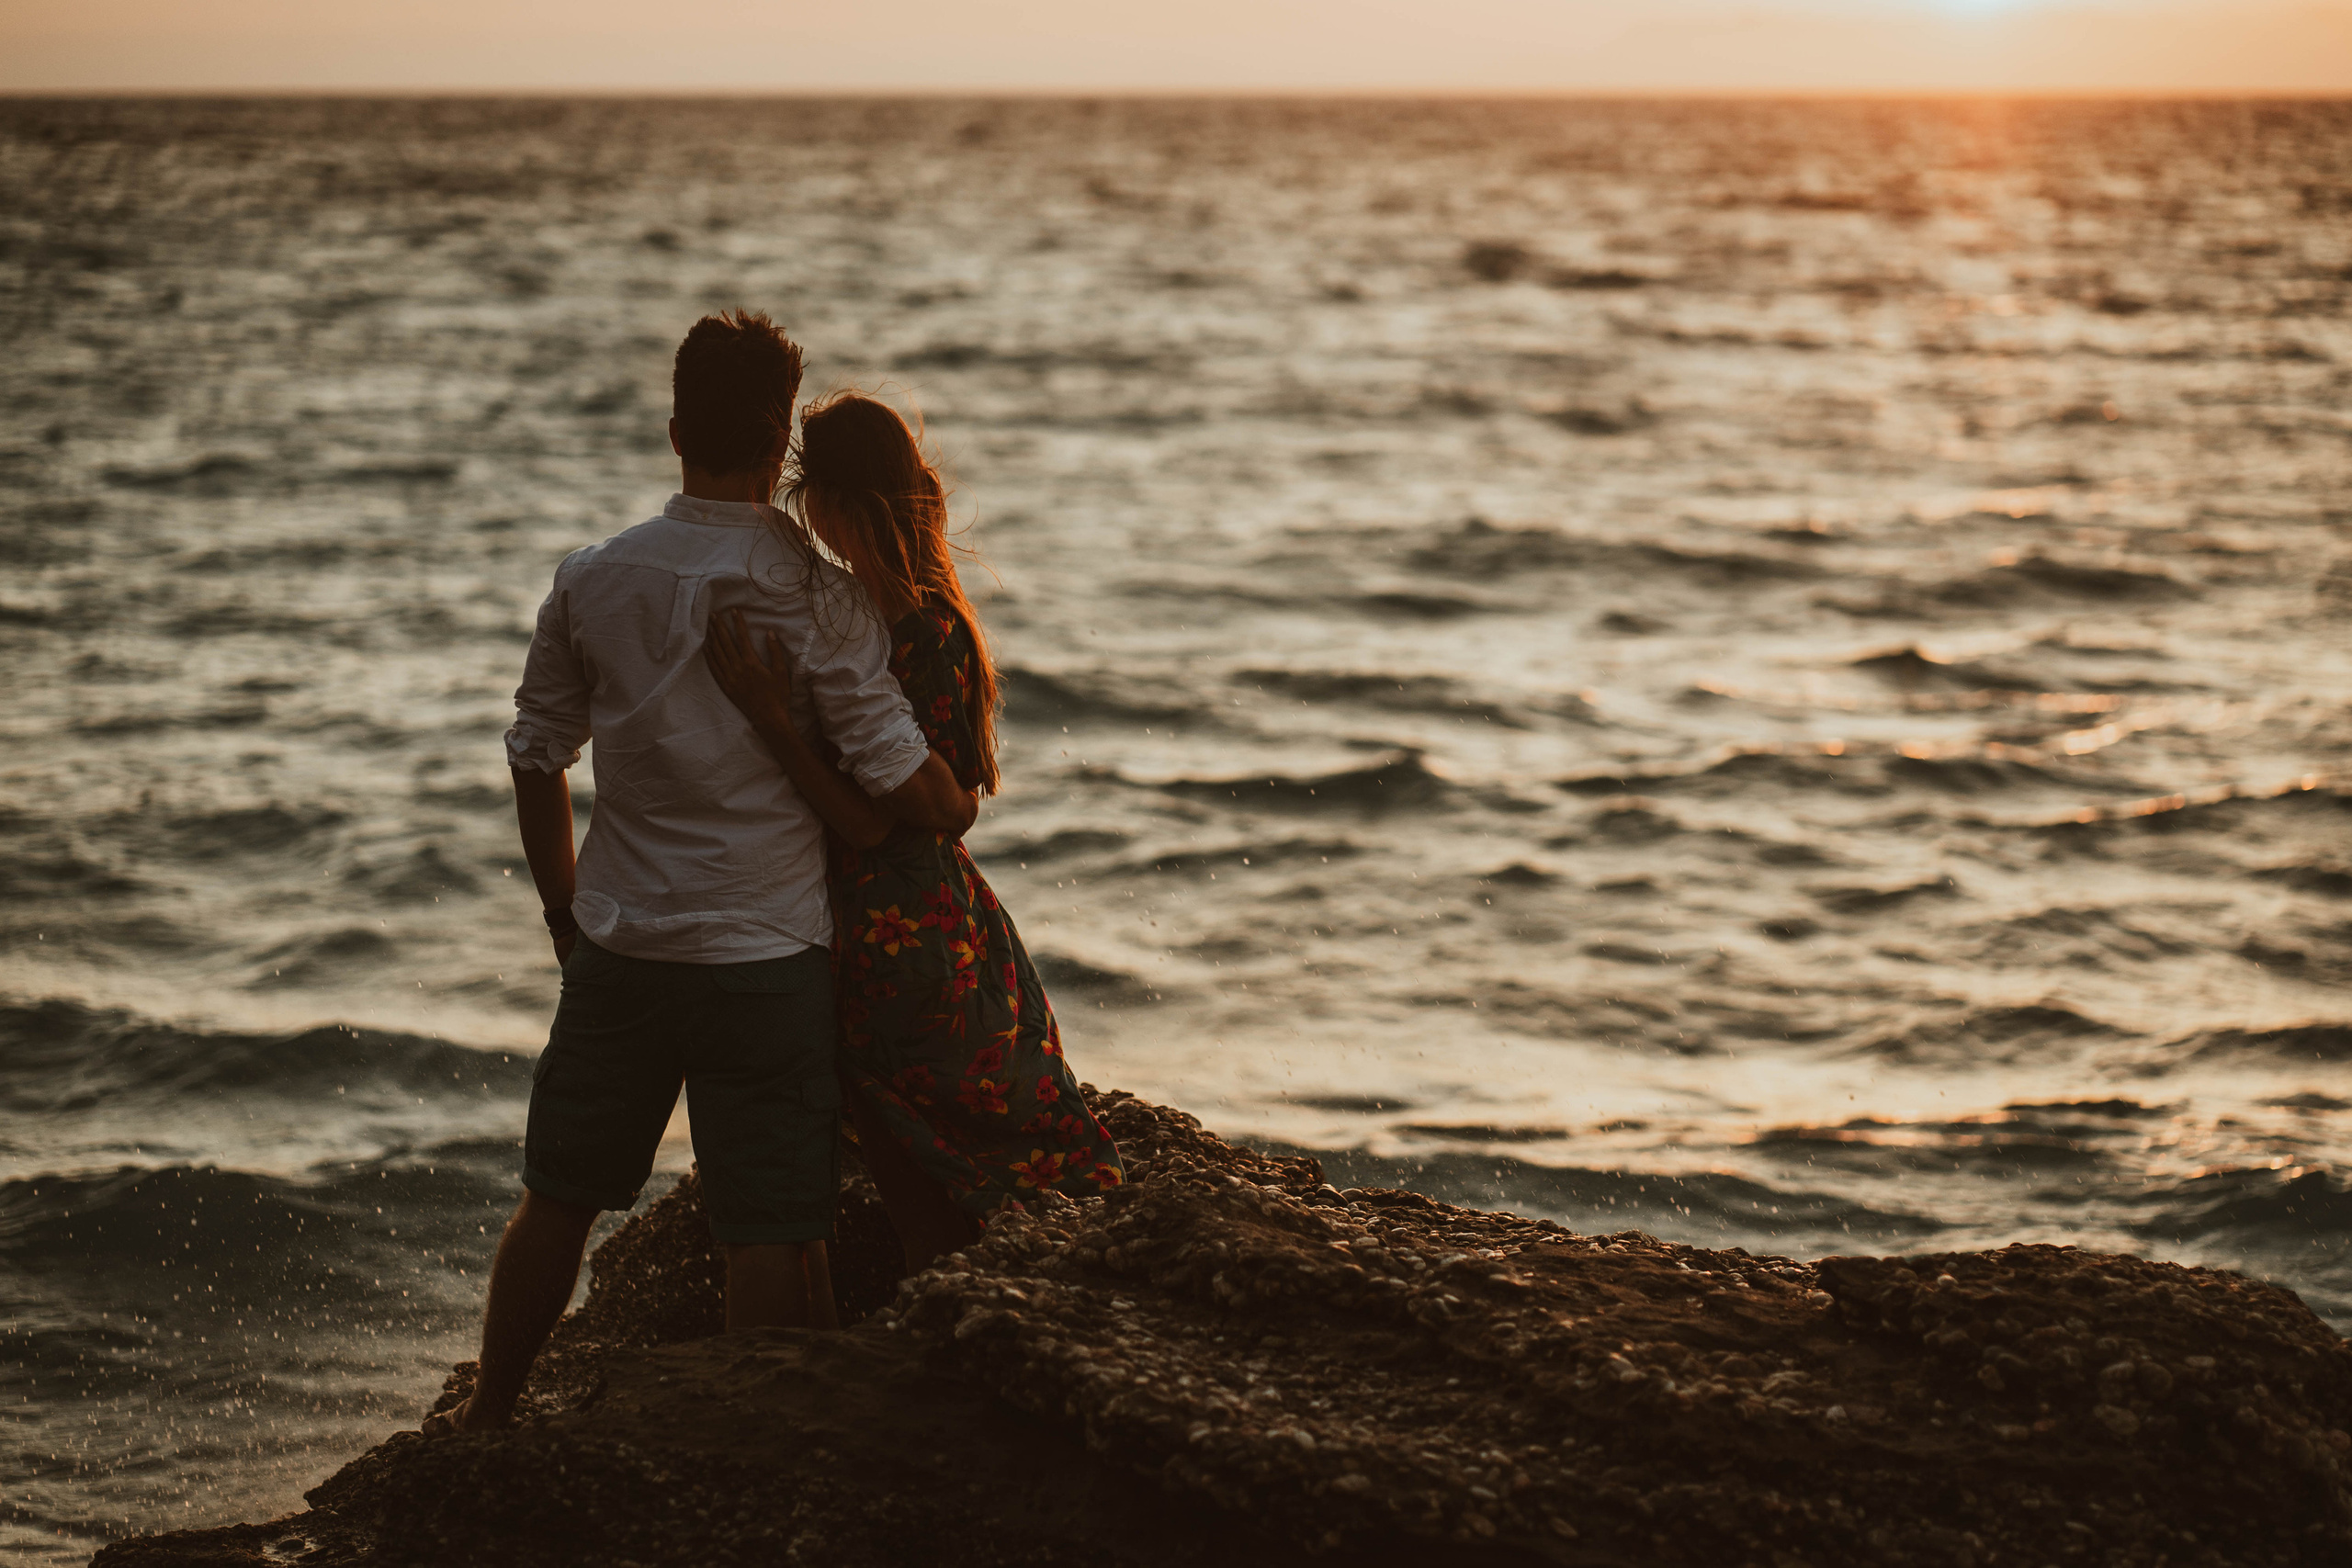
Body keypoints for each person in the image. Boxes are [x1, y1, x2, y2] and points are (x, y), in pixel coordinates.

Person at [424, 314, 977, 1436]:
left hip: (622, 943)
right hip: (771, 958)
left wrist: (564, 910)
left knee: (559, 1200)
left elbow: (536, 753)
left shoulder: (593, 578)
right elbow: (895, 778)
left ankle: (487, 1422)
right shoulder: (822, 596)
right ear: (779, 442)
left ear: (675, 428)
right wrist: (950, 788)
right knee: (769, 1230)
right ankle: (754, 1460)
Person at [703, 392, 1121, 1275]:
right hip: (935, 920)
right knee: (949, 1148)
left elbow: (871, 817)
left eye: (809, 491)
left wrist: (772, 720)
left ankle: (959, 1314)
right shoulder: (909, 621)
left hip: (898, 931)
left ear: (840, 504)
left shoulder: (910, 638)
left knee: (915, 1166)